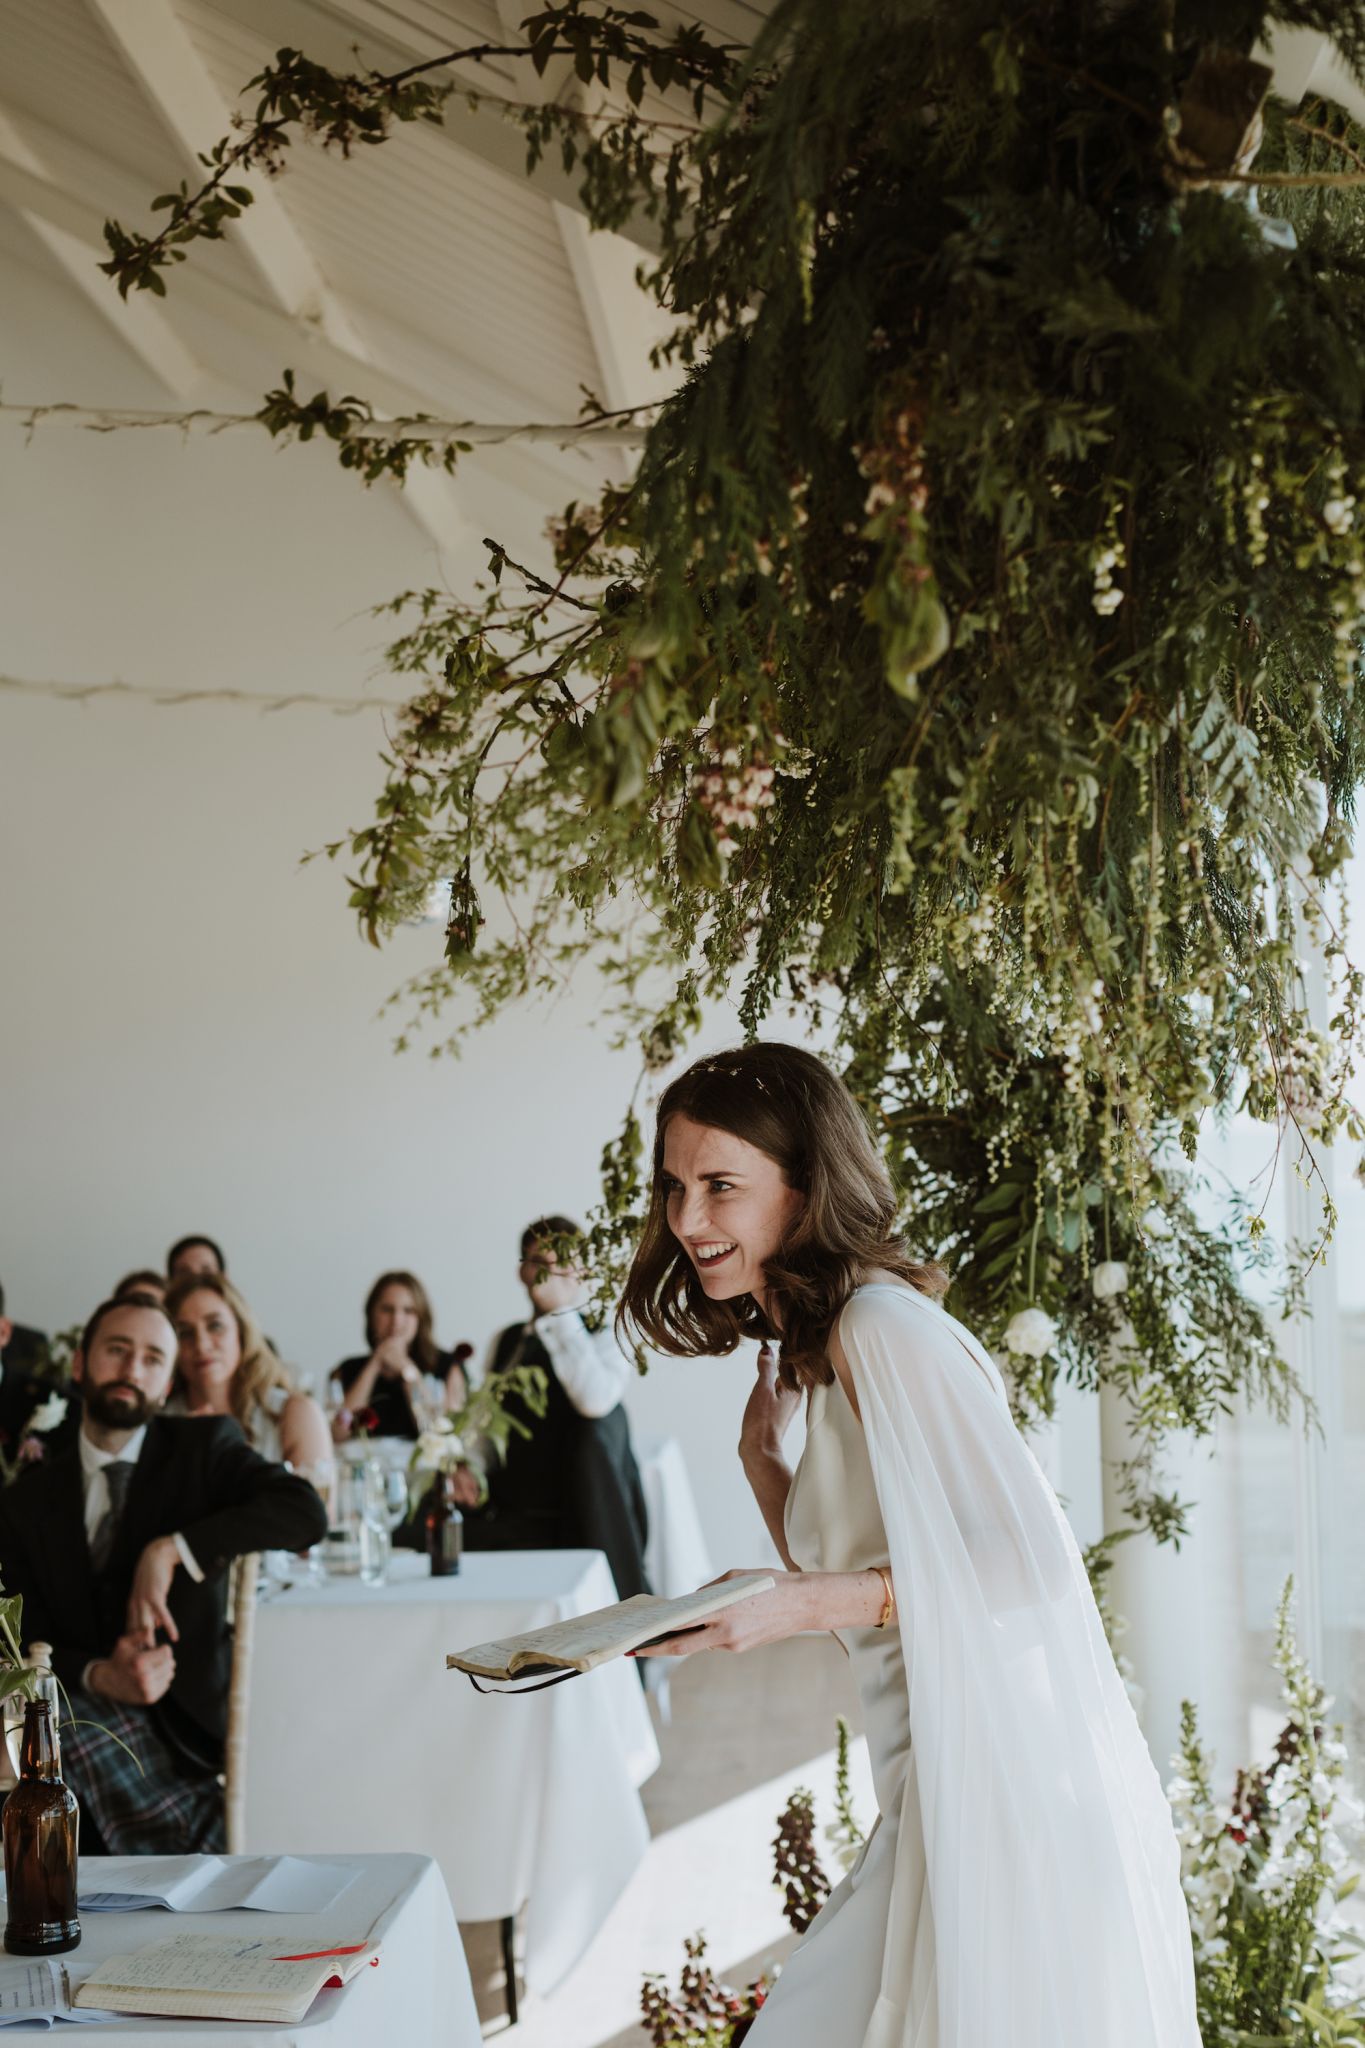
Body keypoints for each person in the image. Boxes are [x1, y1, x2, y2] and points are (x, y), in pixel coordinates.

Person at [618, 1044, 1200, 2048]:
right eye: (675, 1187)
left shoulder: (882, 1325)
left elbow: (1026, 1564)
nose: (688, 1220)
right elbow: (876, 1572)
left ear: (805, 1188)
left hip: (994, 1791)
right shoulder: (830, 1340)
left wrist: (792, 1604)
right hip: (929, 1784)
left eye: (721, 1185)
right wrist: (765, 1465)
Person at [0, 1291, 326, 1854]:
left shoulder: (205, 1449)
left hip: (184, 1736)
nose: (132, 1369)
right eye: (118, 1350)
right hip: (77, 1709)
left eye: (152, 1359)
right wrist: (104, 1674)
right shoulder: (29, 1495)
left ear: (168, 1382)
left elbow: (305, 1511)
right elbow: (21, 1634)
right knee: (42, 1726)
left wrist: (172, 1549)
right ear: (80, 1363)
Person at [463, 1218, 649, 1600]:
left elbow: (594, 1401)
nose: (552, 1273)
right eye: (540, 1263)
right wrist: (471, 1467)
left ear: (583, 1269)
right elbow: (484, 1424)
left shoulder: (609, 1329)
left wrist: (560, 1315)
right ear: (523, 1272)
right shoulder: (507, 1340)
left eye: (563, 1262)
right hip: (517, 1504)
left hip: (583, 1510)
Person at [165, 1272, 330, 1471]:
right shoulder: (160, 1425)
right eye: (185, 1333)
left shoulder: (293, 1414)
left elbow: (315, 1500)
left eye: (215, 1326)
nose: (202, 1345)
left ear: (241, 1331)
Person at [330, 1272, 468, 1442]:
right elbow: (338, 1434)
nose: (396, 1320)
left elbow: (444, 1436)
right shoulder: (349, 1369)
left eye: (408, 1311)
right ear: (372, 1314)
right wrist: (375, 1363)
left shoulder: (447, 1366)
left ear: (421, 1318)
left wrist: (407, 1370)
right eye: (387, 1309)